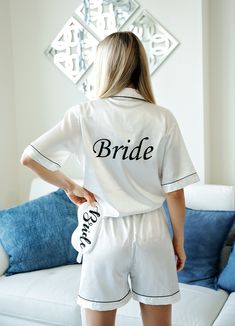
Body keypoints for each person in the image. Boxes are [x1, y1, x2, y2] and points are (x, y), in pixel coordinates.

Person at [21, 31, 200, 326]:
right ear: (141, 66)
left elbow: (30, 157)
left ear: (104, 67)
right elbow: (175, 192)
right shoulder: (161, 118)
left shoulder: (84, 114)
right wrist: (178, 242)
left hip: (104, 233)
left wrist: (70, 186)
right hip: (152, 232)